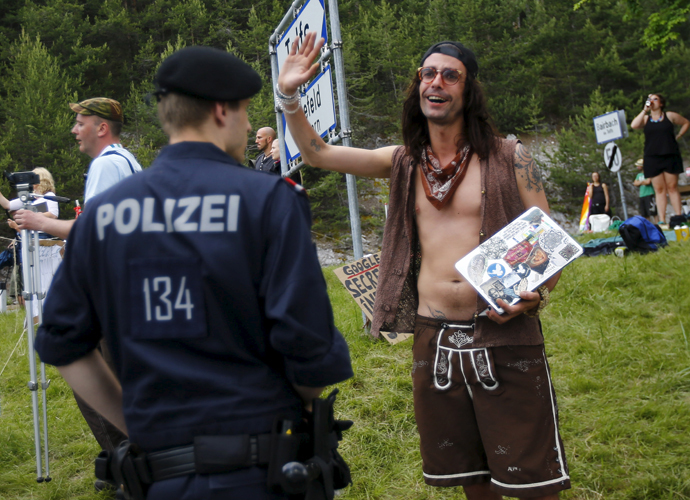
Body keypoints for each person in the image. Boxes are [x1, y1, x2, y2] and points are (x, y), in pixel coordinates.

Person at [34, 45, 353, 500]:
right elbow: (312, 352)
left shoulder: (103, 215)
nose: (247, 127)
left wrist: (136, 421)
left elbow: (62, 343)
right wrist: (293, 404)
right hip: (262, 471)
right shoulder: (268, 201)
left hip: (159, 476)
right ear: (223, 111)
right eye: (244, 114)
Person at [278, 33, 568, 499]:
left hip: (502, 331)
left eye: (449, 74)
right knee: (471, 479)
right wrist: (288, 95)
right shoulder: (403, 162)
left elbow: (550, 243)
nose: (436, 82)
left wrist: (538, 292)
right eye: (427, 74)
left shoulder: (511, 157)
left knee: (536, 481)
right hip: (434, 340)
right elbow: (318, 154)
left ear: (468, 89)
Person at [14, 97, 142, 240]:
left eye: (80, 124)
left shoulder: (105, 164)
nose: (74, 130)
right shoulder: (127, 160)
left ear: (102, 129)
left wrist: (39, 222)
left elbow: (90, 228)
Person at [0, 168, 62, 320]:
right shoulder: (28, 197)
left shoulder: (48, 196)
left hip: (44, 243)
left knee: (45, 280)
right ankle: (34, 316)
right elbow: (8, 205)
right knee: (31, 281)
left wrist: (32, 216)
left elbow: (53, 214)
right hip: (29, 244)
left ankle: (47, 313)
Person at [631, 93, 689, 225]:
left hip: (670, 155)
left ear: (661, 103)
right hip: (652, 157)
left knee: (672, 186)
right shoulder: (646, 119)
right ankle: (662, 220)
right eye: (650, 99)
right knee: (659, 189)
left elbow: (686, 123)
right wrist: (644, 109)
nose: (652, 101)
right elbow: (634, 125)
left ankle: (678, 217)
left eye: (655, 99)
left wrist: (678, 135)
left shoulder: (669, 116)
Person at [633, 158, 657, 223]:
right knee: (644, 213)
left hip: (649, 194)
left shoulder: (649, 173)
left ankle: (657, 224)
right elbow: (635, 183)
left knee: (653, 212)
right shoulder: (639, 175)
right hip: (642, 195)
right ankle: (647, 225)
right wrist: (643, 181)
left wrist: (640, 182)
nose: (637, 167)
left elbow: (648, 182)